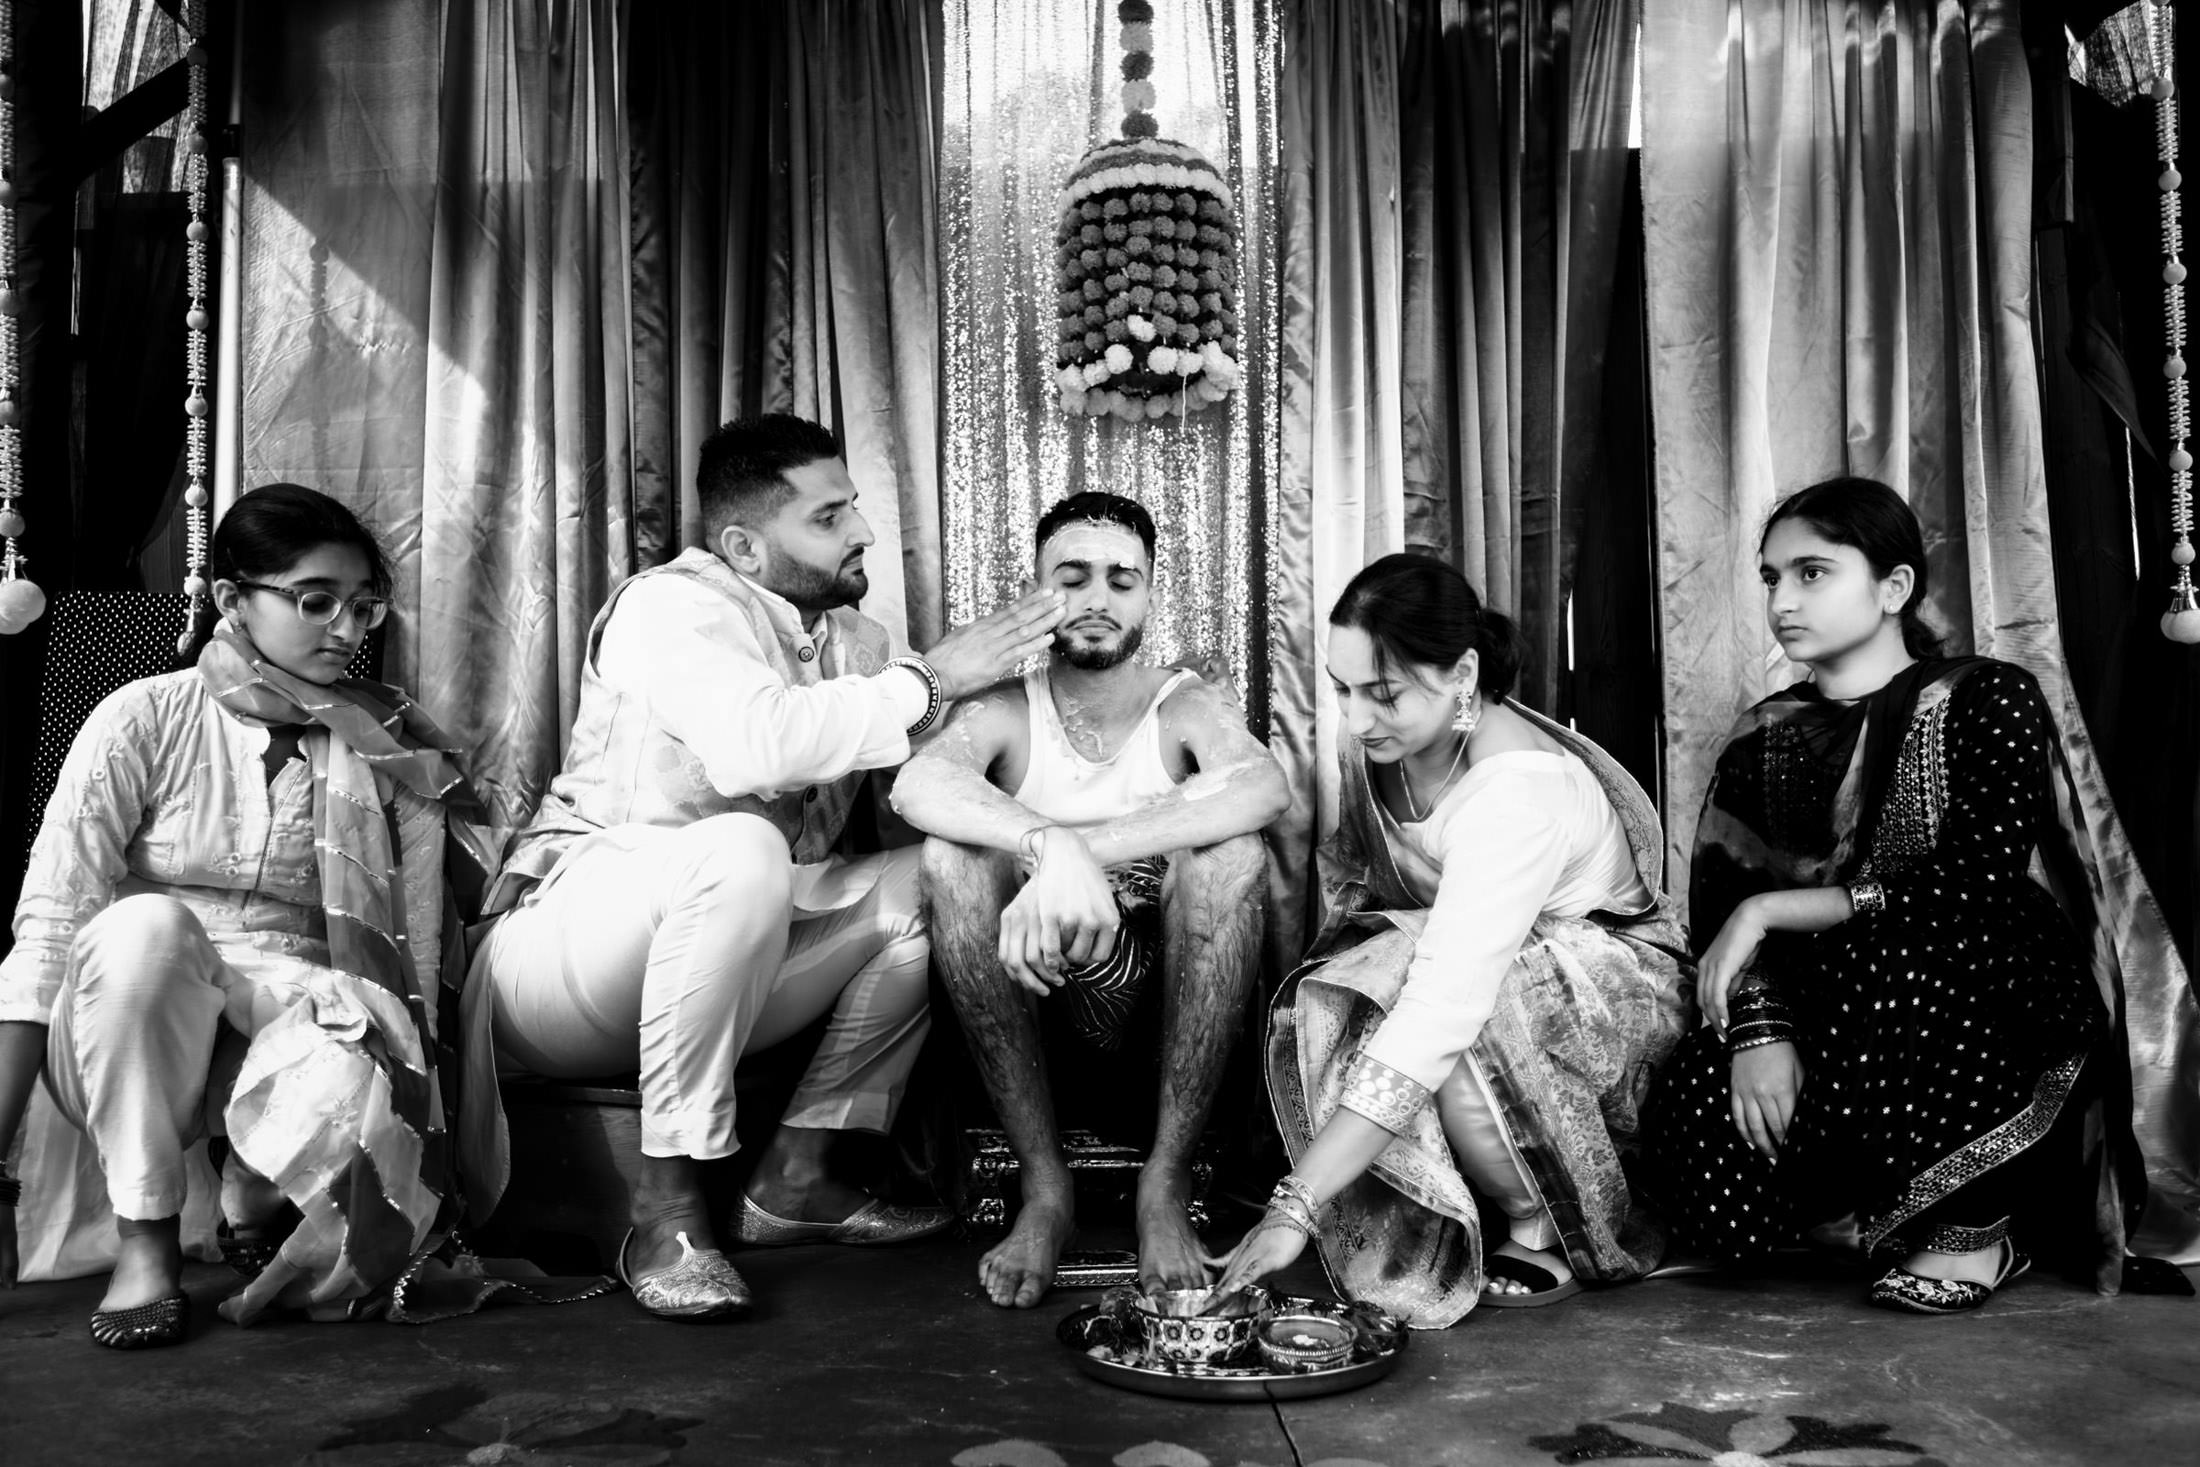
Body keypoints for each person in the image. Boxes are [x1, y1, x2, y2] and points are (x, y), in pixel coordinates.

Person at [474, 413, 1066, 1320]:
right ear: (744, 546)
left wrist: (1062, 825)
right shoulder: (668, 604)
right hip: (563, 961)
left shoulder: (855, 644)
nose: (863, 532)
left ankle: (798, 1175)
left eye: (855, 509)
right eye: (829, 518)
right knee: (743, 844)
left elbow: (934, 762)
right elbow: (759, 747)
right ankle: (666, 1209)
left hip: (730, 962)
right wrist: (934, 678)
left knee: (940, 872)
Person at [0, 484, 493, 1348]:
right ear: (233, 600)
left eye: (363, 605)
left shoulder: (394, 752)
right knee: (145, 928)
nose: (348, 629)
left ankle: (252, 1193)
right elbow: (46, 933)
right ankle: (145, 1241)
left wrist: (412, 1126)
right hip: (128, 1018)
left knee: (358, 1194)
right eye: (316, 601)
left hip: (299, 1008)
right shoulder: (141, 716)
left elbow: (408, 969)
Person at [1640, 477, 2149, 1314]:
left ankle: (1972, 1234)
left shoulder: (1987, 695)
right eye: (1771, 578)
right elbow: (1720, 902)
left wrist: (1770, 909)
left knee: (1910, 965)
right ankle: (1863, 1217)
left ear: (1894, 587)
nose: (1783, 599)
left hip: (1972, 985)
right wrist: (1759, 1031)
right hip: (1826, 1001)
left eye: (1812, 572)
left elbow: (1973, 881)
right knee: (1692, 1110)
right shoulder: (1763, 731)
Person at [1207, 553, 1691, 1328]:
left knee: (1447, 1000)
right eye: (1342, 689)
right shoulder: (1383, 743)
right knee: (1365, 971)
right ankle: (1433, 1192)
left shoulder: (1517, 792)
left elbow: (1445, 1003)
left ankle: (1540, 1222)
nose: (1358, 718)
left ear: (1463, 670)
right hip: (1478, 963)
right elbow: (1361, 890)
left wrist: (1296, 1205)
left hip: (1601, 997)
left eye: (1385, 693)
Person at [893, 492, 1287, 1309]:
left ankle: (1164, 1183)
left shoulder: (1182, 702)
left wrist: (1083, 851)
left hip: (1166, 998)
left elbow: (1262, 787)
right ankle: (1046, 1189)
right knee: (950, 858)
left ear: (1148, 595)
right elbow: (919, 781)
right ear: (1039, 592)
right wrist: (1047, 848)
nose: (1098, 599)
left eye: (1121, 579)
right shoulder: (1006, 704)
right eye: (1072, 578)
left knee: (1235, 858)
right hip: (1023, 986)